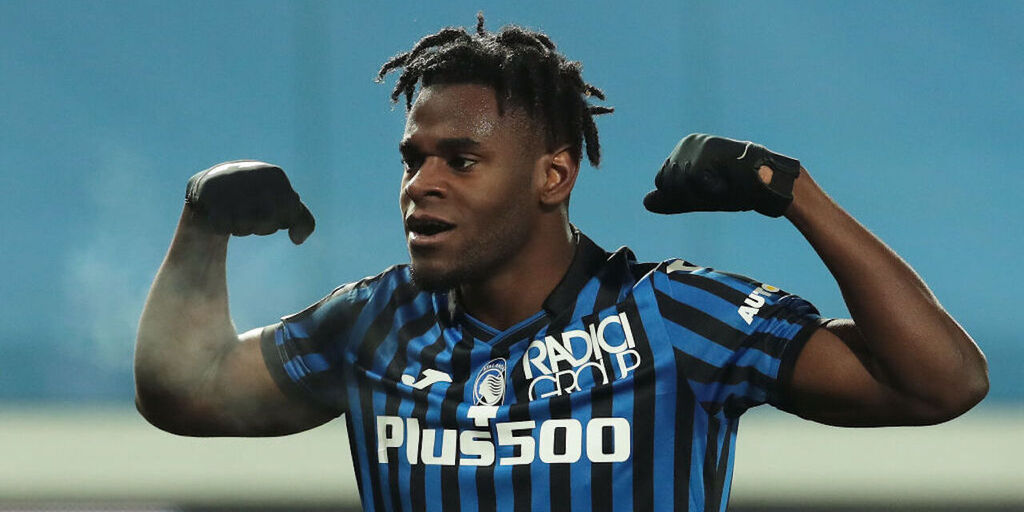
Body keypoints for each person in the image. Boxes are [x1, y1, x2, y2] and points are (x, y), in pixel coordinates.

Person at [134, 14, 989, 512]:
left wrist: (794, 193)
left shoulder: (676, 318)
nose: (421, 186)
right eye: (412, 159)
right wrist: (201, 226)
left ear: (553, 175)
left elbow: (940, 383)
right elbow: (187, 390)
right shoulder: (373, 323)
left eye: (460, 160)